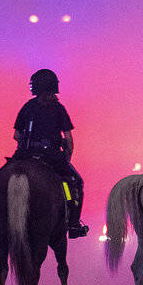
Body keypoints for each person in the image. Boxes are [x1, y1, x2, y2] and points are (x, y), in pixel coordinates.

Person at [8, 69, 89, 238]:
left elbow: (16, 135)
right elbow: (68, 139)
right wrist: (66, 160)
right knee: (74, 183)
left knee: (2, 180)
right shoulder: (59, 108)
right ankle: (74, 225)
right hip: (52, 156)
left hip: (25, 154)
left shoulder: (27, 107)